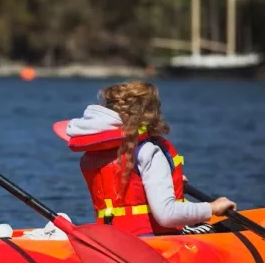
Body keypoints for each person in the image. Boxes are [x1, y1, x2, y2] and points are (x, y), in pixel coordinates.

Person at [54, 81, 236, 236]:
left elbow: (128, 187)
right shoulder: (148, 151)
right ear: (150, 115)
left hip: (113, 240)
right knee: (234, 227)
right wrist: (212, 208)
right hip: (153, 241)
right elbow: (167, 215)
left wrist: (169, 182)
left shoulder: (94, 153)